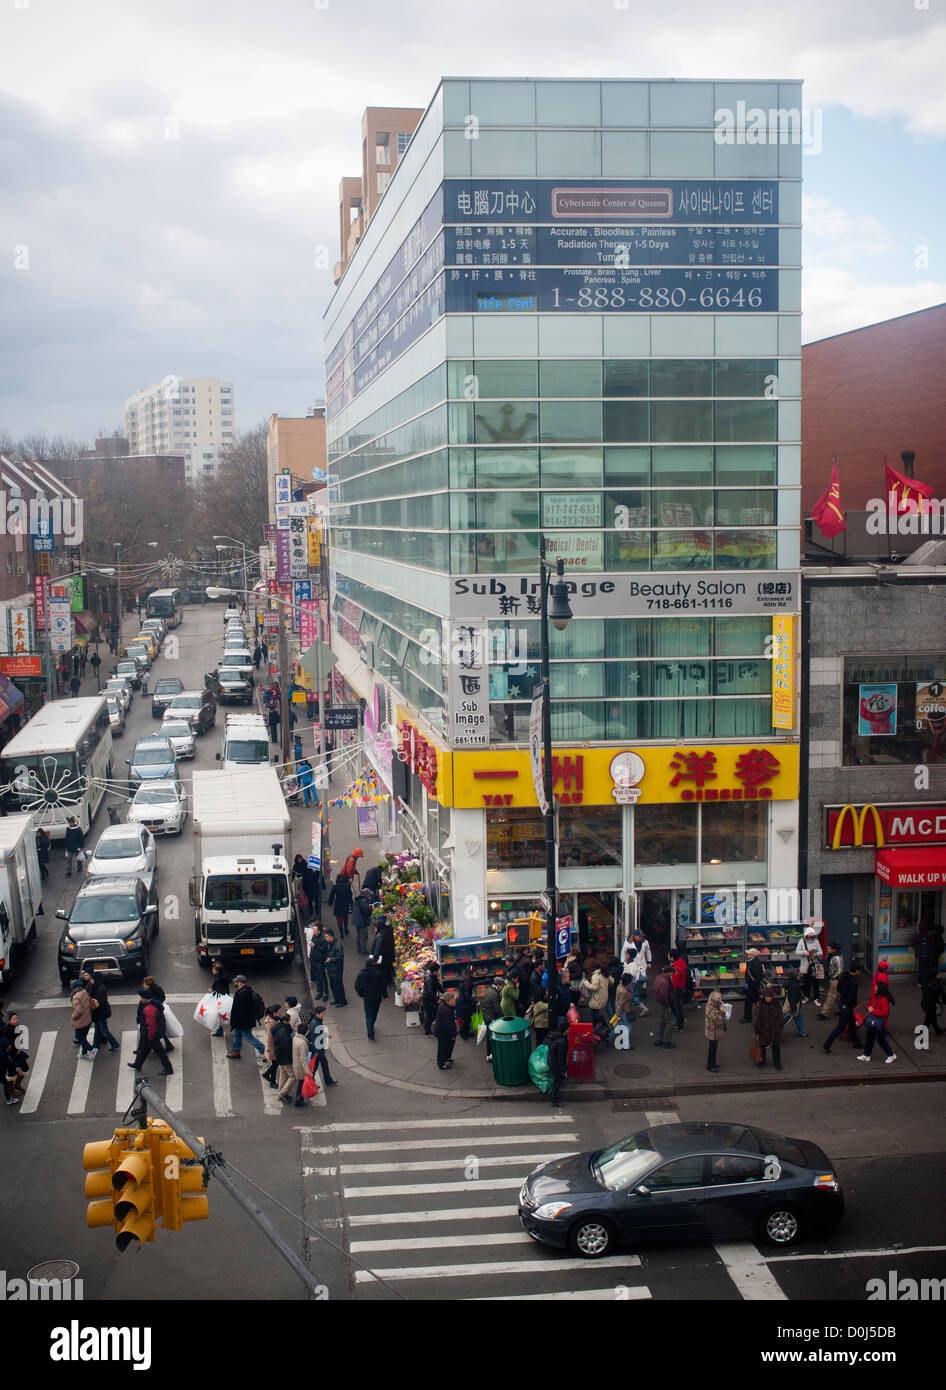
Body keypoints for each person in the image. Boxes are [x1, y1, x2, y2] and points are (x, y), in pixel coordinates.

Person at [129, 988, 173, 1075]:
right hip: (151, 1035)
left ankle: (168, 1069)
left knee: (160, 1053)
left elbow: (151, 1026)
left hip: (151, 1036)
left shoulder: (149, 1009)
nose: (141, 1000)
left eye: (142, 998)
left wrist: (149, 1037)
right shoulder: (154, 1005)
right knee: (144, 1050)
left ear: (146, 998)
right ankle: (138, 1064)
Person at [824, 961, 865, 1053]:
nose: (861, 973)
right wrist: (851, 1003)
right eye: (860, 971)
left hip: (842, 1003)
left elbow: (839, 989)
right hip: (848, 1006)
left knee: (852, 1024)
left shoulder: (843, 976)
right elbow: (851, 995)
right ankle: (827, 1044)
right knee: (841, 1027)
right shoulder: (854, 982)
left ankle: (856, 1042)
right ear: (857, 971)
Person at [226, 976, 266, 1059]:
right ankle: (235, 1051)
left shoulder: (243, 994)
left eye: (235, 982)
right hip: (242, 1021)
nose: (234, 983)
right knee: (237, 1034)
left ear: (239, 983)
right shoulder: (245, 990)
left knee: (248, 1037)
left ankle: (265, 1050)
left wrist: (235, 1020)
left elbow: (242, 1010)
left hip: (244, 1022)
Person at [81, 971, 120, 1052]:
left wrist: (92, 1001)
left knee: (104, 1030)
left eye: (92, 979)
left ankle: (114, 1043)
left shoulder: (101, 988)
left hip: (101, 1013)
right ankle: (96, 1044)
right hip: (97, 1013)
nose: (90, 980)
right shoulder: (94, 986)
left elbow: (101, 1002)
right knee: (98, 1029)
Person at [858, 982, 896, 1064]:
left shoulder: (883, 1000)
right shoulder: (877, 997)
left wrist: (873, 1010)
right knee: (869, 1038)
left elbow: (885, 1013)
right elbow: (870, 1006)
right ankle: (866, 1055)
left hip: (879, 1024)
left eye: (876, 987)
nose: (874, 988)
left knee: (881, 1040)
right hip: (874, 1022)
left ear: (879, 989)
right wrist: (870, 1008)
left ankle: (891, 1055)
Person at [354, 954, 387, 1041]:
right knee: (374, 1013)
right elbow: (383, 986)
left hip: (367, 997)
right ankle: (371, 1026)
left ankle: (370, 1032)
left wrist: (361, 994)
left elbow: (357, 986)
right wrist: (385, 996)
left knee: (368, 1015)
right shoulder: (379, 974)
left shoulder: (361, 974)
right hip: (377, 997)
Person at [306, 1004, 337, 1088]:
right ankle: (310, 1084)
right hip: (317, 1050)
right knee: (314, 1068)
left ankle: (328, 1081)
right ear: (317, 1014)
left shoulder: (316, 1021)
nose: (323, 1015)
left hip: (318, 1049)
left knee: (324, 1064)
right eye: (322, 1014)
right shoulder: (316, 1023)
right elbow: (315, 1037)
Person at [753, 985, 784, 1069]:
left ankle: (777, 1063)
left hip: (775, 1030)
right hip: (763, 1029)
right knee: (762, 1046)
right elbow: (757, 1018)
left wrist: (780, 1027)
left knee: (776, 1047)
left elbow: (780, 1017)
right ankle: (761, 1061)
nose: (768, 998)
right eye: (767, 996)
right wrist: (756, 1030)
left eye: (770, 996)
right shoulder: (760, 1005)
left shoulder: (777, 1004)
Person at [794, 925, 824, 1004]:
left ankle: (816, 998)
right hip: (805, 965)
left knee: (816, 982)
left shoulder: (816, 941)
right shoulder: (801, 941)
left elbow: (821, 952)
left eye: (812, 936)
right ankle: (806, 996)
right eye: (808, 936)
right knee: (806, 982)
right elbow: (797, 952)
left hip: (815, 964)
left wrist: (814, 954)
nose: (810, 938)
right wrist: (806, 953)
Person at [70, 978, 97, 1059]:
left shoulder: (75, 997)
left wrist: (73, 1017)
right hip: (88, 1018)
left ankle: (91, 1049)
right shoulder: (84, 992)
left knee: (79, 1037)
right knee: (83, 1037)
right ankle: (83, 1053)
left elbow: (78, 1011)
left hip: (81, 1021)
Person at [272, 1012, 295, 1102]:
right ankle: (283, 1093)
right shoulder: (284, 1032)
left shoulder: (279, 1029)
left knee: (284, 1075)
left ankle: (281, 1093)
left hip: (279, 1056)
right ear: (287, 1021)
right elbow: (286, 1046)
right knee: (293, 1076)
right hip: (285, 1058)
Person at [652, 965, 677, 1048]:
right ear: (668, 972)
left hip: (658, 1002)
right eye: (672, 972)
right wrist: (668, 1006)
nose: (673, 974)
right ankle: (666, 1041)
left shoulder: (658, 977)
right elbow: (663, 996)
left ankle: (658, 1040)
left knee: (662, 1021)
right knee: (672, 1021)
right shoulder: (665, 982)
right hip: (663, 1003)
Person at [433, 989, 458, 1070]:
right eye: (452, 1000)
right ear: (447, 1000)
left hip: (442, 1030)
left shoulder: (445, 1005)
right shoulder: (446, 1009)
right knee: (442, 1047)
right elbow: (449, 1024)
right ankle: (441, 1064)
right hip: (443, 1032)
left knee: (448, 1045)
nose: (453, 1001)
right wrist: (454, 1034)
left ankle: (446, 1057)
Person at [817, 942, 843, 1019]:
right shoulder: (832, 956)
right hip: (833, 978)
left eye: (829, 948)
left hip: (835, 980)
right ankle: (843, 1009)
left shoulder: (837, 958)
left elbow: (840, 970)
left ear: (834, 950)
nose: (827, 950)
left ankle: (824, 1013)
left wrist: (832, 977)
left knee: (831, 996)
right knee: (837, 997)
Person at [480, 974, 502, 1061]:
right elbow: (497, 1009)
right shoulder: (495, 995)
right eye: (502, 986)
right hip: (491, 1017)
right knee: (491, 1037)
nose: (502, 988)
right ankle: (490, 1054)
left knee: (489, 1036)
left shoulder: (488, 989)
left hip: (486, 1015)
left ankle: (489, 1054)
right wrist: (502, 1018)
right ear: (498, 985)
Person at [370, 914, 396, 986]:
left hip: (383, 955)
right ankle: (389, 980)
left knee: (383, 969)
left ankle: (385, 982)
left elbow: (377, 947)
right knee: (388, 968)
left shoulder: (380, 934)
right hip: (390, 953)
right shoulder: (389, 929)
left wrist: (374, 958)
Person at [704, 988, 726, 1073]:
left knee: (713, 1048)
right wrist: (722, 1012)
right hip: (713, 1032)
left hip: (711, 1030)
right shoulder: (713, 1011)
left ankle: (713, 1063)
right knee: (712, 1049)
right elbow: (719, 1020)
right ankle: (710, 1065)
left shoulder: (710, 1005)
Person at [324, 928, 347, 1006]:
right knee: (333, 986)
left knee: (338, 986)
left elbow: (340, 957)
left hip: (337, 969)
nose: (325, 938)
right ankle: (337, 999)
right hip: (331, 969)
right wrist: (326, 967)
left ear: (331, 936)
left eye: (326, 936)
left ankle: (342, 1001)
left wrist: (331, 959)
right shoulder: (329, 944)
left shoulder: (337, 945)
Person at [261, 1005, 282, 1087]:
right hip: (272, 1047)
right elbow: (270, 1038)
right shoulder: (271, 1023)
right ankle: (272, 1082)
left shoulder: (274, 1020)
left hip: (273, 1046)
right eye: (279, 1012)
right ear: (274, 1013)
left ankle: (266, 1074)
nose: (280, 1013)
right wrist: (270, 1050)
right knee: (275, 1064)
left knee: (275, 1063)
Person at [742, 947, 765, 1022]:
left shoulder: (754, 963)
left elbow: (756, 975)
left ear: (752, 955)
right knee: (756, 1001)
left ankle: (747, 1018)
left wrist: (749, 981)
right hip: (754, 985)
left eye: (749, 953)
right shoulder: (756, 962)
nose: (747, 954)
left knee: (748, 1002)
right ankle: (761, 1015)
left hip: (752, 986)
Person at [209, 960, 231, 1038]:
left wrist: (212, 990)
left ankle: (219, 1031)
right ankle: (233, 1028)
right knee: (225, 1013)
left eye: (213, 969)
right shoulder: (223, 976)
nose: (212, 970)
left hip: (220, 1000)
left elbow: (218, 991)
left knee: (217, 1015)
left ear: (217, 971)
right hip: (225, 998)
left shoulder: (219, 980)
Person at [783, 968, 807, 1038]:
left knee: (797, 1017)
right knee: (785, 1020)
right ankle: (777, 1033)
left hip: (790, 1005)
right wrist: (793, 1008)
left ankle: (802, 1032)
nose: (799, 976)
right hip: (793, 1006)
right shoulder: (795, 985)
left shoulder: (789, 983)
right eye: (798, 975)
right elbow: (793, 997)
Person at [328, 871, 353, 938]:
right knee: (345, 917)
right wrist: (350, 902)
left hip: (338, 904)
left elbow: (332, 895)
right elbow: (350, 895)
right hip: (345, 904)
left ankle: (341, 933)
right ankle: (346, 930)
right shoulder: (347, 886)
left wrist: (330, 903)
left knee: (339, 919)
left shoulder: (335, 886)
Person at [309, 921, 330, 1001]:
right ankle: (319, 992)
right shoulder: (314, 936)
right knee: (317, 977)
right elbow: (312, 948)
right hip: (314, 960)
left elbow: (324, 949)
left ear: (319, 931)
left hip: (320, 961)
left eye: (315, 930)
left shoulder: (323, 939)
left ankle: (325, 993)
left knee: (322, 977)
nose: (313, 931)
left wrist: (315, 946)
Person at [546, 1027, 567, 1108]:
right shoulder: (562, 1042)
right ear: (566, 1030)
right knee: (557, 1082)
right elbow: (561, 1057)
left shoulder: (554, 1038)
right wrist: (564, 1070)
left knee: (557, 1080)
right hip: (555, 1064)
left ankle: (554, 1097)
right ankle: (555, 1101)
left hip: (551, 1061)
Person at [290, 1024, 310, 1106]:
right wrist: (308, 1071)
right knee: (301, 1084)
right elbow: (303, 1059)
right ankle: (299, 1099)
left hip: (296, 1064)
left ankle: (299, 1099)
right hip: (300, 1067)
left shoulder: (295, 1038)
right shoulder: (303, 1043)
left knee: (300, 1083)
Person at [920, 973, 945, 1037]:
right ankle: (922, 1034)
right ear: (935, 976)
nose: (939, 975)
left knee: (931, 1018)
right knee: (928, 1020)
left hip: (924, 1004)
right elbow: (943, 994)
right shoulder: (937, 984)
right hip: (932, 1005)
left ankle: (938, 1030)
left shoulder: (926, 982)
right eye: (938, 974)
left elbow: (923, 988)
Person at [614, 973, 635, 1049]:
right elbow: (621, 1004)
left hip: (619, 1011)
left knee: (617, 1025)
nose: (632, 982)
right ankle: (625, 1044)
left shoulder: (619, 986)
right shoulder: (624, 993)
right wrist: (618, 1015)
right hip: (624, 1012)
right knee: (627, 1028)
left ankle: (607, 1038)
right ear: (628, 982)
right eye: (631, 981)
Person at [455, 967, 475, 1040]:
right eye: (474, 972)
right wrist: (475, 1001)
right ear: (471, 973)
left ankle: (466, 1032)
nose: (476, 973)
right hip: (463, 1004)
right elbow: (467, 995)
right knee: (465, 1020)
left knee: (467, 1019)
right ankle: (463, 1034)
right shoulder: (467, 982)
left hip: (463, 1002)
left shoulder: (466, 979)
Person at [351, 890, 374, 954]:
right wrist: (371, 911)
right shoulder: (363, 901)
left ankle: (359, 949)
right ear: (366, 894)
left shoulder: (359, 899)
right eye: (369, 895)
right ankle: (363, 950)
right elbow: (366, 910)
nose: (369, 896)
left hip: (357, 920)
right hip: (361, 921)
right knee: (364, 935)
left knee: (359, 935)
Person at [669, 949, 687, 1031]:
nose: (668, 957)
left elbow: (674, 981)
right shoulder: (680, 963)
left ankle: (680, 1025)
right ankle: (680, 1021)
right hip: (681, 988)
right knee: (677, 1006)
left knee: (677, 1008)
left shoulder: (677, 968)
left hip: (678, 990)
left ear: (672, 958)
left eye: (669, 955)